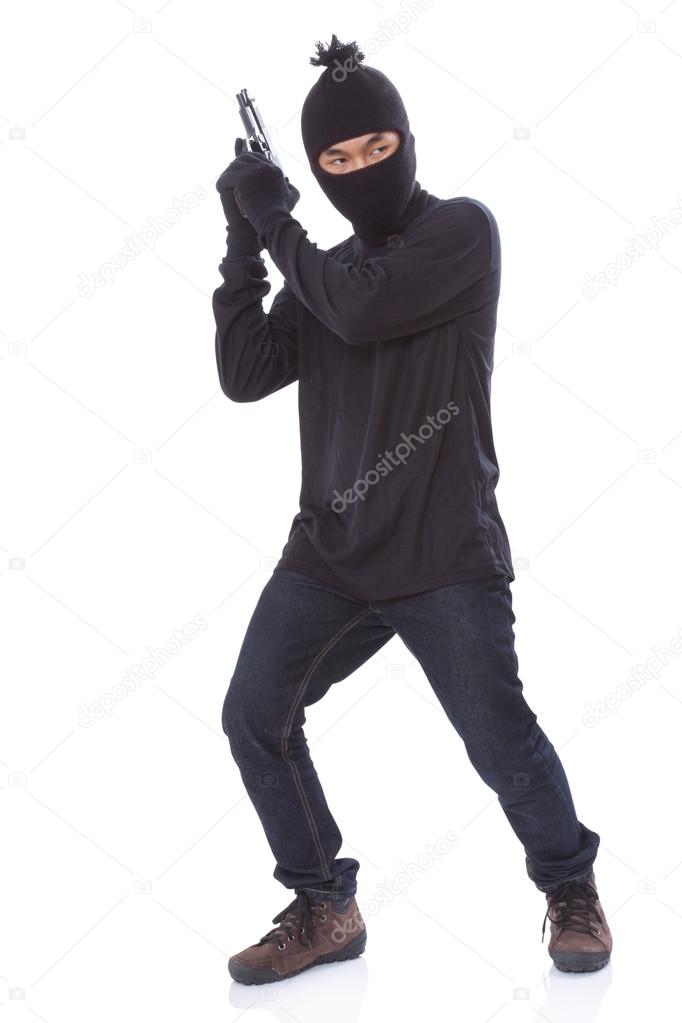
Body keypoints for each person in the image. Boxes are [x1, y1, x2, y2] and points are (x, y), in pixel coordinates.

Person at [212, 33, 613, 985]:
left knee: (498, 737)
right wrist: (241, 238)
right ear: (316, 169)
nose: (360, 170)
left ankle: (570, 886)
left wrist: (279, 225)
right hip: (332, 551)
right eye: (336, 162)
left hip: (444, 550)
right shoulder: (324, 269)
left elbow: (358, 305)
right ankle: (324, 905)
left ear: (407, 141)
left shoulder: (460, 234)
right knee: (254, 714)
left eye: (376, 149)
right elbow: (245, 373)